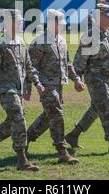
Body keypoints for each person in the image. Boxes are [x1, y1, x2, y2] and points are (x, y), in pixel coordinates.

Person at [65, 4, 109, 155]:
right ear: (98, 17)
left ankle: (73, 135)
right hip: (94, 78)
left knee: (96, 109)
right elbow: (79, 61)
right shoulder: (90, 36)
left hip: (106, 78)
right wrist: (77, 80)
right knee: (107, 108)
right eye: (108, 15)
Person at [0, 9, 45, 171]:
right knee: (19, 119)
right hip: (5, 90)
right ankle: (22, 160)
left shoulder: (21, 42)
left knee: (12, 122)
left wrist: (37, 83)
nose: (22, 23)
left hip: (18, 89)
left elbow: (29, 66)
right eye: (19, 21)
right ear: (10, 23)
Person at [25, 9, 85, 165]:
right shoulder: (40, 42)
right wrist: (31, 86)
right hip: (46, 85)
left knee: (48, 116)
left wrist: (76, 80)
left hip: (59, 85)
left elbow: (68, 64)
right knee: (57, 114)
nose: (63, 27)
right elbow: (30, 66)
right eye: (60, 24)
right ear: (52, 24)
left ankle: (25, 139)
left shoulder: (62, 41)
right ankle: (62, 151)